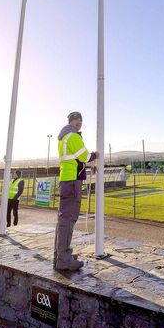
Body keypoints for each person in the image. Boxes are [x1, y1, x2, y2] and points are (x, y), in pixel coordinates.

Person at [54, 111, 98, 271]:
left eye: (80, 120)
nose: (79, 122)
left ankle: (60, 255)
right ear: (71, 121)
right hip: (72, 181)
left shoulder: (64, 137)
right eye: (76, 120)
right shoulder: (73, 136)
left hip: (68, 179)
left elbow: (77, 159)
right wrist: (95, 155)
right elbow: (84, 156)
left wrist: (90, 164)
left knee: (63, 219)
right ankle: (63, 258)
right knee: (68, 219)